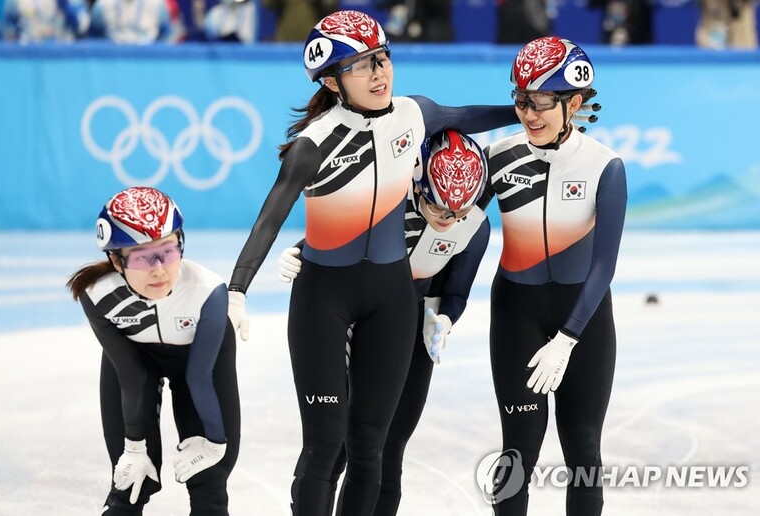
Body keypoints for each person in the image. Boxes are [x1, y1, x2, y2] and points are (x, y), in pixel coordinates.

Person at [224, 9, 517, 516]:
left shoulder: (414, 113)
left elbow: (473, 116)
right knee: (323, 446)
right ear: (335, 82)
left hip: (392, 298)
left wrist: (533, 108)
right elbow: (269, 218)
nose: (379, 72)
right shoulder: (312, 145)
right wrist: (237, 287)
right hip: (323, 298)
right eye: (362, 65)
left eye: (382, 58)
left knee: (368, 450)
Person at [276, 129, 496, 515]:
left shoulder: (474, 227)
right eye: (439, 208)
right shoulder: (385, 201)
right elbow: (335, 236)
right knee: (333, 442)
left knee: (386, 447)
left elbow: (457, 291)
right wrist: (298, 251)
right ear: (418, 185)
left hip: (407, 325)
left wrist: (443, 318)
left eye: (459, 212)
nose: (449, 219)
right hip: (352, 315)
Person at [476, 36, 627, 516]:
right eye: (522, 100)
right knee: (517, 446)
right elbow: (455, 226)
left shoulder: (605, 165)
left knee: (583, 450)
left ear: (574, 103)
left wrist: (568, 337)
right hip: (515, 311)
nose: (529, 114)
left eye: (542, 103)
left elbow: (604, 264)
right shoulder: (499, 156)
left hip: (581, 318)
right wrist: (437, 298)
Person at [67, 186, 240, 515]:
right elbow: (132, 376)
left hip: (200, 364)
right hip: (134, 361)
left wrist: (216, 443)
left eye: (169, 251)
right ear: (115, 260)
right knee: (130, 485)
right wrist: (133, 446)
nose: (159, 268)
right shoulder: (98, 294)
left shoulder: (208, 291)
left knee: (210, 482)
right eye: (143, 257)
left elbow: (199, 378)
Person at [3, 0, 91, 43]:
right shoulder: (15, 2)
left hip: (63, 55)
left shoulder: (75, 2)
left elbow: (81, 28)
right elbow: (10, 37)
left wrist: (66, 8)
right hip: (28, 56)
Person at [90, 0, 174, 44]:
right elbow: (93, 35)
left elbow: (165, 35)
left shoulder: (156, 3)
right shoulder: (103, 4)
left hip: (146, 57)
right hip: (114, 58)